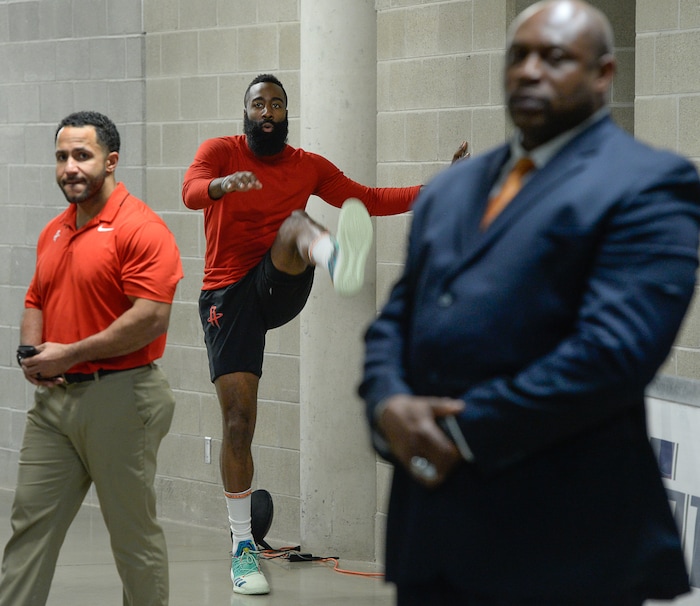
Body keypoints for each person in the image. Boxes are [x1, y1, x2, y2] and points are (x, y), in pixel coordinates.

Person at [359, 1, 700, 605]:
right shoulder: (452, 189)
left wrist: (459, 431)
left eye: (555, 56)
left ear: (603, 75)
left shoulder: (648, 183)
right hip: (434, 535)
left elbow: (612, 355)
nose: (530, 70)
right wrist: (389, 405)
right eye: (518, 55)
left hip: (564, 543)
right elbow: (396, 319)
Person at [182, 73, 468, 595]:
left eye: (277, 104)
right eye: (258, 104)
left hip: (280, 278)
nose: (267, 112)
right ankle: (242, 547)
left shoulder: (306, 165)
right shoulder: (219, 152)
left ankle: (337, 258)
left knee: (296, 223)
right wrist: (220, 187)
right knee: (239, 420)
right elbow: (191, 192)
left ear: (287, 114)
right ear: (244, 113)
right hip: (228, 298)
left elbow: (369, 198)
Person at [0, 111, 183, 606]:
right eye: (62, 157)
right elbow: (36, 297)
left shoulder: (140, 228)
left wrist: (69, 354)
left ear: (111, 161)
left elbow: (150, 319)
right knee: (28, 531)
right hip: (56, 406)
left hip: (123, 398)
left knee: (132, 540)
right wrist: (34, 356)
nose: (69, 167)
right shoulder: (55, 231)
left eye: (82, 155)